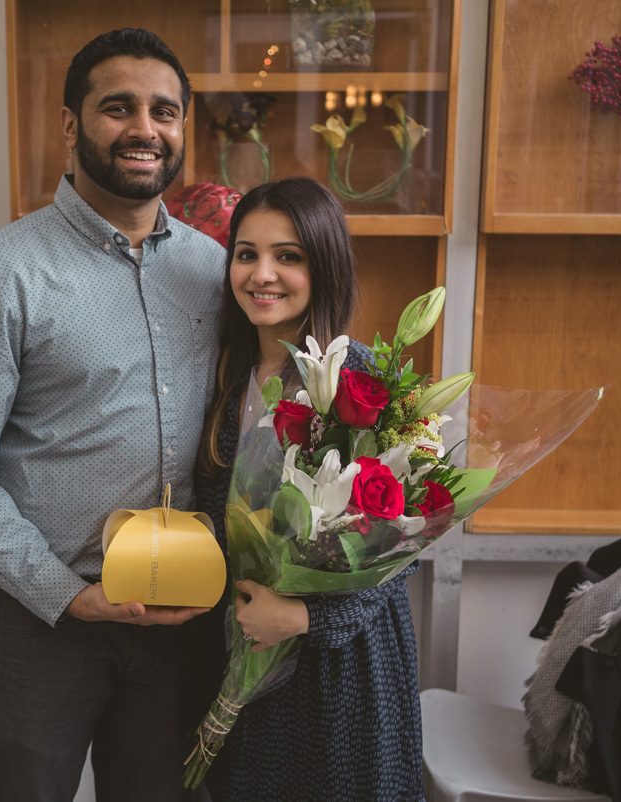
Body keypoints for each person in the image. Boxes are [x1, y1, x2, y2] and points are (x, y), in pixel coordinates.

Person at [0, 28, 225, 802]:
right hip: (42, 624)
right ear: (70, 125)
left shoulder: (214, 270)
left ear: (183, 127)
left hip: (178, 621)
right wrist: (68, 595)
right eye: (118, 108)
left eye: (165, 111)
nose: (145, 130)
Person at [194, 176, 424, 801]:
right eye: (247, 253)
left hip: (339, 666)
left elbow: (400, 541)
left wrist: (301, 616)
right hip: (245, 653)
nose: (262, 273)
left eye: (287, 256)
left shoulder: (362, 378)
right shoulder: (225, 374)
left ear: (323, 265)